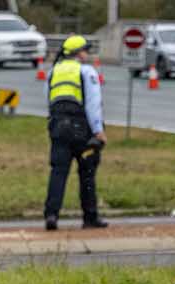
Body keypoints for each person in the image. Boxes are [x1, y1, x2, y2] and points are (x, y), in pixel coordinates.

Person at [43, 35, 107, 230]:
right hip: (81, 130)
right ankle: (90, 217)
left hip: (57, 127)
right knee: (87, 173)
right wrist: (98, 131)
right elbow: (93, 104)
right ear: (79, 53)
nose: (87, 54)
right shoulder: (86, 71)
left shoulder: (53, 71)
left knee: (58, 172)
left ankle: (51, 215)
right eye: (85, 50)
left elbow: (49, 100)